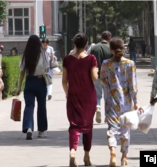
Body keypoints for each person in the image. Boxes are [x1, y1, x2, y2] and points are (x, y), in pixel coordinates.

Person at [100, 36, 138, 166]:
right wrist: (135, 101)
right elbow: (133, 85)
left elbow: (103, 80)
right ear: (123, 48)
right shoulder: (130, 64)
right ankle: (124, 157)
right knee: (125, 129)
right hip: (126, 102)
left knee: (112, 129)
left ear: (110, 49)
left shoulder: (106, 64)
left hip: (111, 102)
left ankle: (113, 153)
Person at [62, 32, 98, 167]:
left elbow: (64, 81)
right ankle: (87, 156)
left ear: (74, 44)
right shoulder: (91, 59)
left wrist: (67, 94)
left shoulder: (67, 59)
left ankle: (72, 151)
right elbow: (94, 78)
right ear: (86, 45)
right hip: (88, 97)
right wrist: (97, 71)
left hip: (73, 96)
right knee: (87, 126)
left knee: (74, 126)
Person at [16, 35, 49, 140]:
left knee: (29, 106)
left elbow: (22, 72)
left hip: (29, 81)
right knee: (41, 106)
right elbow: (46, 69)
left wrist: (19, 87)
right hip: (40, 82)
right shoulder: (41, 54)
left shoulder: (25, 55)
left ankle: (29, 128)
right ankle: (41, 131)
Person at [90, 31, 112, 124]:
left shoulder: (94, 47)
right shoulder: (111, 48)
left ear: (101, 37)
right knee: (108, 96)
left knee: (97, 94)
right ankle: (107, 116)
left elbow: (90, 60)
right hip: (108, 76)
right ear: (109, 38)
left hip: (96, 74)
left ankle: (98, 108)